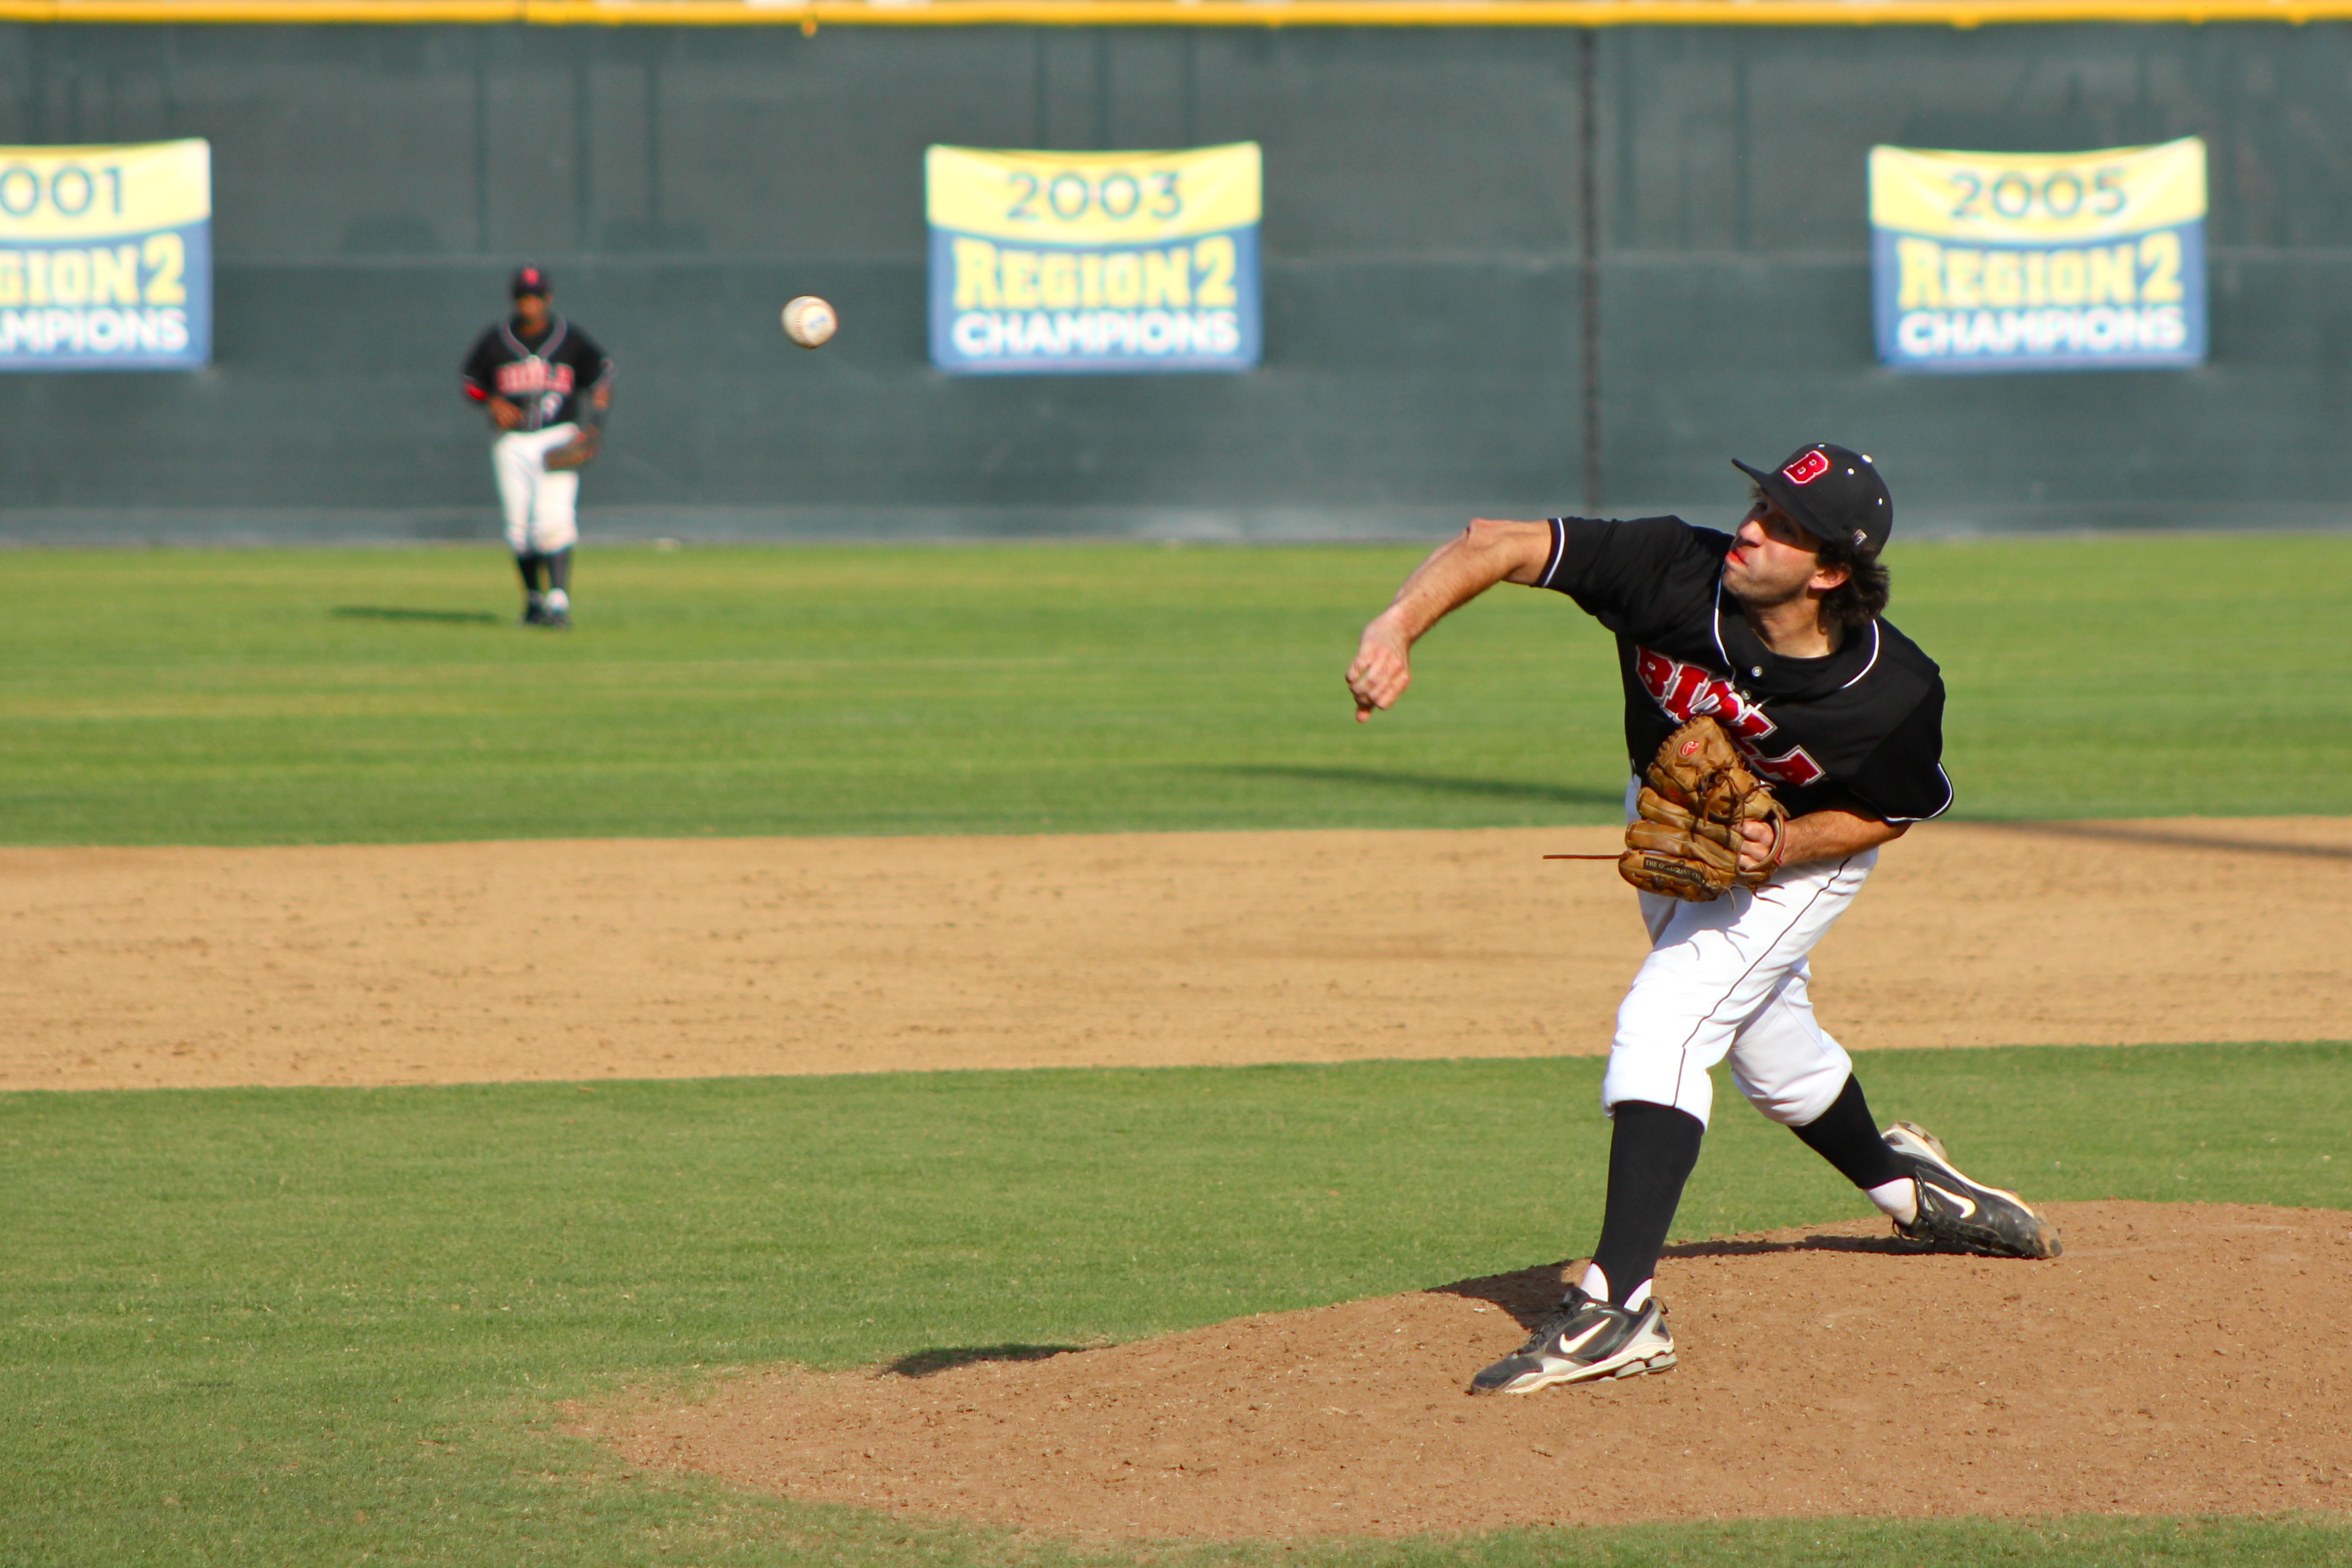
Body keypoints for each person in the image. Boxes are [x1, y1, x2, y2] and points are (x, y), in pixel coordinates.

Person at [1344, 443, 2060, 1396]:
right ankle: (1909, 1184)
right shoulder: (1672, 565)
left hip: (1799, 857)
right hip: (1674, 824)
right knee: (1768, 1048)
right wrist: (1397, 625)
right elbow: (1497, 544)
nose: (1752, 527)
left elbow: (1890, 810)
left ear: (1830, 571)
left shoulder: (1891, 691)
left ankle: (1618, 1303)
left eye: (1783, 526)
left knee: (1668, 1018)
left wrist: (1784, 849)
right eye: (1760, 503)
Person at [461, 265, 613, 629]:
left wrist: (593, 429)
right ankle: (533, 602)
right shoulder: (495, 341)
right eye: (523, 297)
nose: (529, 303)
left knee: (554, 520)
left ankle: (558, 603)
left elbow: (602, 381)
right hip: (511, 442)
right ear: (515, 300)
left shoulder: (569, 339)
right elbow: (471, 382)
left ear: (548, 299)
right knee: (518, 528)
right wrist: (491, 402)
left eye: (535, 296)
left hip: (557, 435)